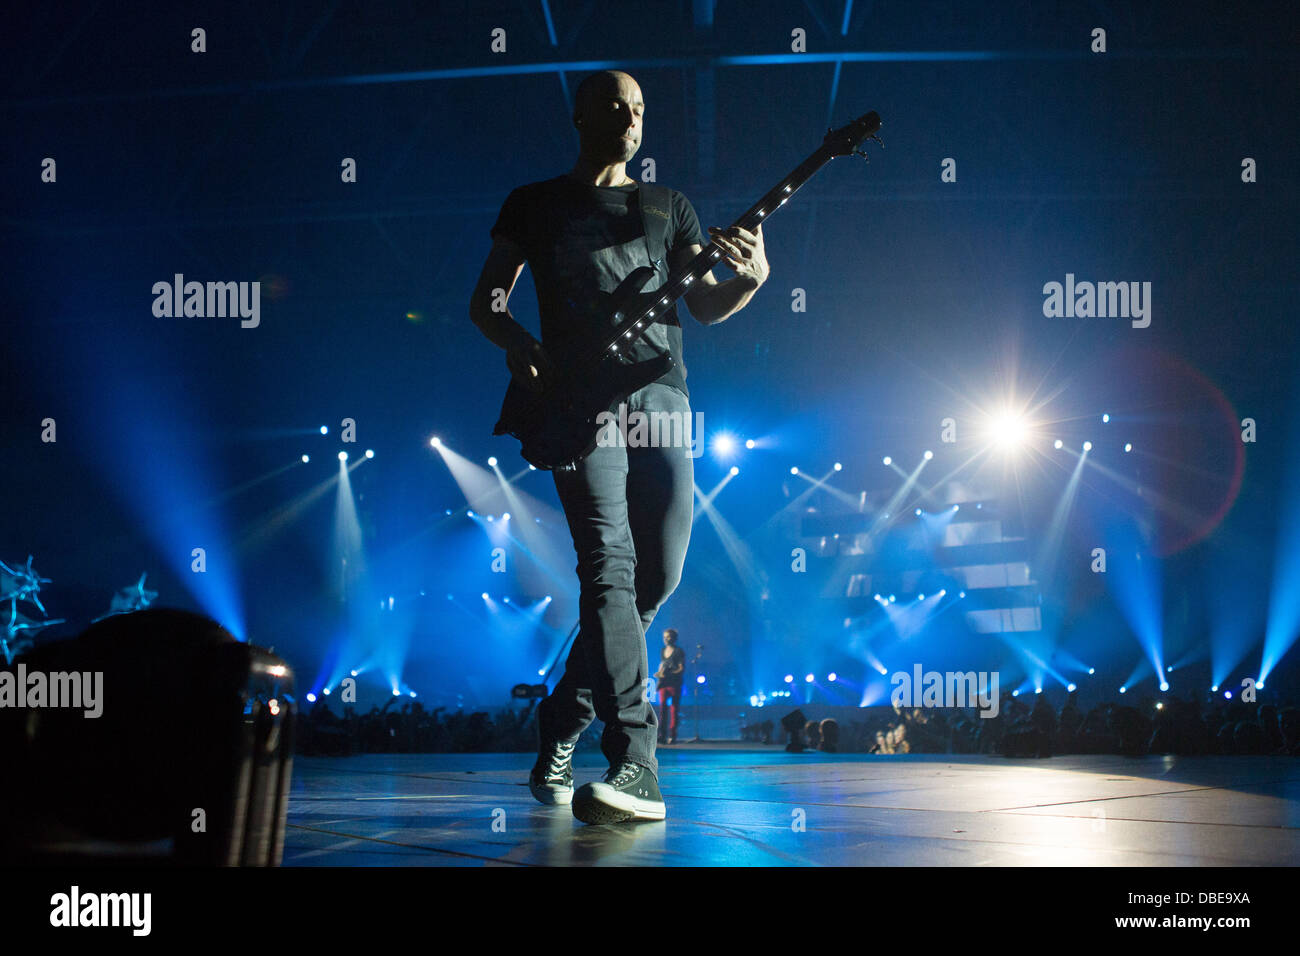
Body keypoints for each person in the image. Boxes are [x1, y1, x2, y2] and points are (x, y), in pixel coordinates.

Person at [469, 70, 768, 823]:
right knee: (609, 565)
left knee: (653, 582)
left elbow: (702, 306)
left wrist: (752, 280)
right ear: (578, 113)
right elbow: (488, 301)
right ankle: (635, 764)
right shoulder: (532, 203)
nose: (631, 118)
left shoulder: (669, 208)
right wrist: (516, 341)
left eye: (640, 109)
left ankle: (561, 720)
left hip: (663, 405)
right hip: (575, 405)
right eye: (615, 104)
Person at [654, 628, 686, 744]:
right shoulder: (662, 650)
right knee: (662, 710)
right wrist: (660, 673)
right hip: (664, 684)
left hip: (675, 684)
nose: (666, 639)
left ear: (674, 638)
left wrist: (670, 673)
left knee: (674, 709)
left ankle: (673, 736)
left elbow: (681, 668)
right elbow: (662, 664)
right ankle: (662, 735)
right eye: (665, 637)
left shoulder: (679, 651)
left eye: (669, 637)